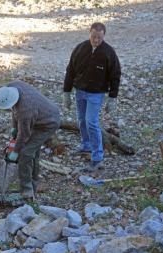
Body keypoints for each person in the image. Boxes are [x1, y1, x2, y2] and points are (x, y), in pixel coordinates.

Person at [63, 22, 121, 171]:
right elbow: (70, 70)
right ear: (89, 33)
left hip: (96, 94)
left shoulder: (109, 52)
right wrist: (67, 92)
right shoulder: (80, 48)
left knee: (91, 123)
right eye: (94, 36)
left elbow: (115, 75)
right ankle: (86, 145)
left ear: (104, 36)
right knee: (81, 120)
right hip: (80, 91)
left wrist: (112, 98)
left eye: (99, 38)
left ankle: (97, 157)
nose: (96, 40)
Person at [0, 80, 60, 200]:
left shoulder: (25, 111)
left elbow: (24, 135)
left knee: (25, 153)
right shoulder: (12, 86)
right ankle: (32, 185)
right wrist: (14, 128)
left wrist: (15, 151)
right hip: (39, 115)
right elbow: (14, 111)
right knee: (32, 152)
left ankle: (27, 190)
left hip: (48, 123)